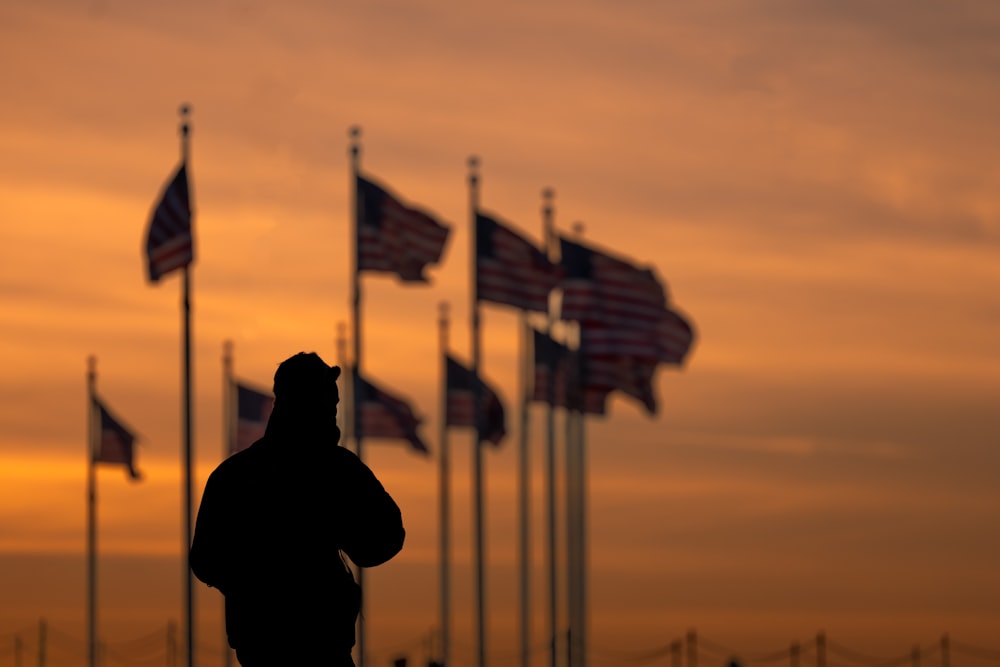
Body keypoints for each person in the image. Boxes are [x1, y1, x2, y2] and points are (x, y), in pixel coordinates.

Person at [190, 352, 405, 667]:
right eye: (325, 403)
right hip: (297, 647)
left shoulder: (236, 474)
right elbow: (206, 560)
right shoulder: (335, 469)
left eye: (332, 404)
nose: (332, 412)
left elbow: (383, 538)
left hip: (281, 647)